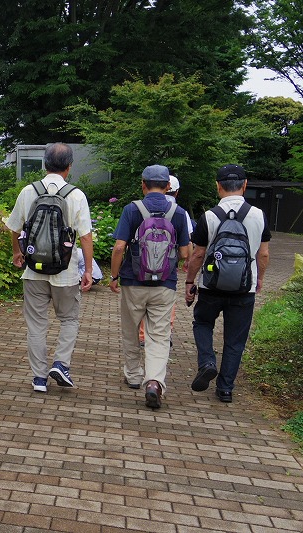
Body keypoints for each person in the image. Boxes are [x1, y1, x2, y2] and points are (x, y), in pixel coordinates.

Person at [6, 143, 94, 393]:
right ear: (69, 167)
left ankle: (39, 379)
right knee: (69, 319)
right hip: (65, 272)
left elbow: (14, 227)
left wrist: (17, 252)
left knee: (36, 325)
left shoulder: (28, 191)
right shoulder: (76, 195)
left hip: (33, 270)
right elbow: (85, 237)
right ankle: (61, 364)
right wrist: (88, 270)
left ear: (44, 164)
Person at [184, 164, 270, 403]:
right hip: (244, 287)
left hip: (211, 285)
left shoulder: (209, 216)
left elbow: (198, 254)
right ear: (245, 185)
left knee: (202, 323)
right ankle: (225, 389)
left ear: (218, 186)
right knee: (235, 340)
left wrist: (190, 282)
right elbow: (263, 253)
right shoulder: (259, 215)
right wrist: (259, 279)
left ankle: (207, 362)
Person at [108, 165, 191, 409]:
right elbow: (185, 253)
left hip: (133, 281)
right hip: (165, 284)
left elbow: (119, 247)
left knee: (130, 330)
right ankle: (154, 381)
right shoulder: (178, 213)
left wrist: (114, 276)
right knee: (159, 335)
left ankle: (134, 375)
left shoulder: (132, 209)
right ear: (168, 186)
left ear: (143, 184)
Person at [138, 174, 193, 345]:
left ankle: (142, 335)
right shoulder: (180, 212)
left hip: (142, 266)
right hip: (167, 268)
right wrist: (185, 261)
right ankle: (164, 334)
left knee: (142, 300)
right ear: (175, 191)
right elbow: (186, 245)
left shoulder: (140, 207)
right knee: (166, 303)